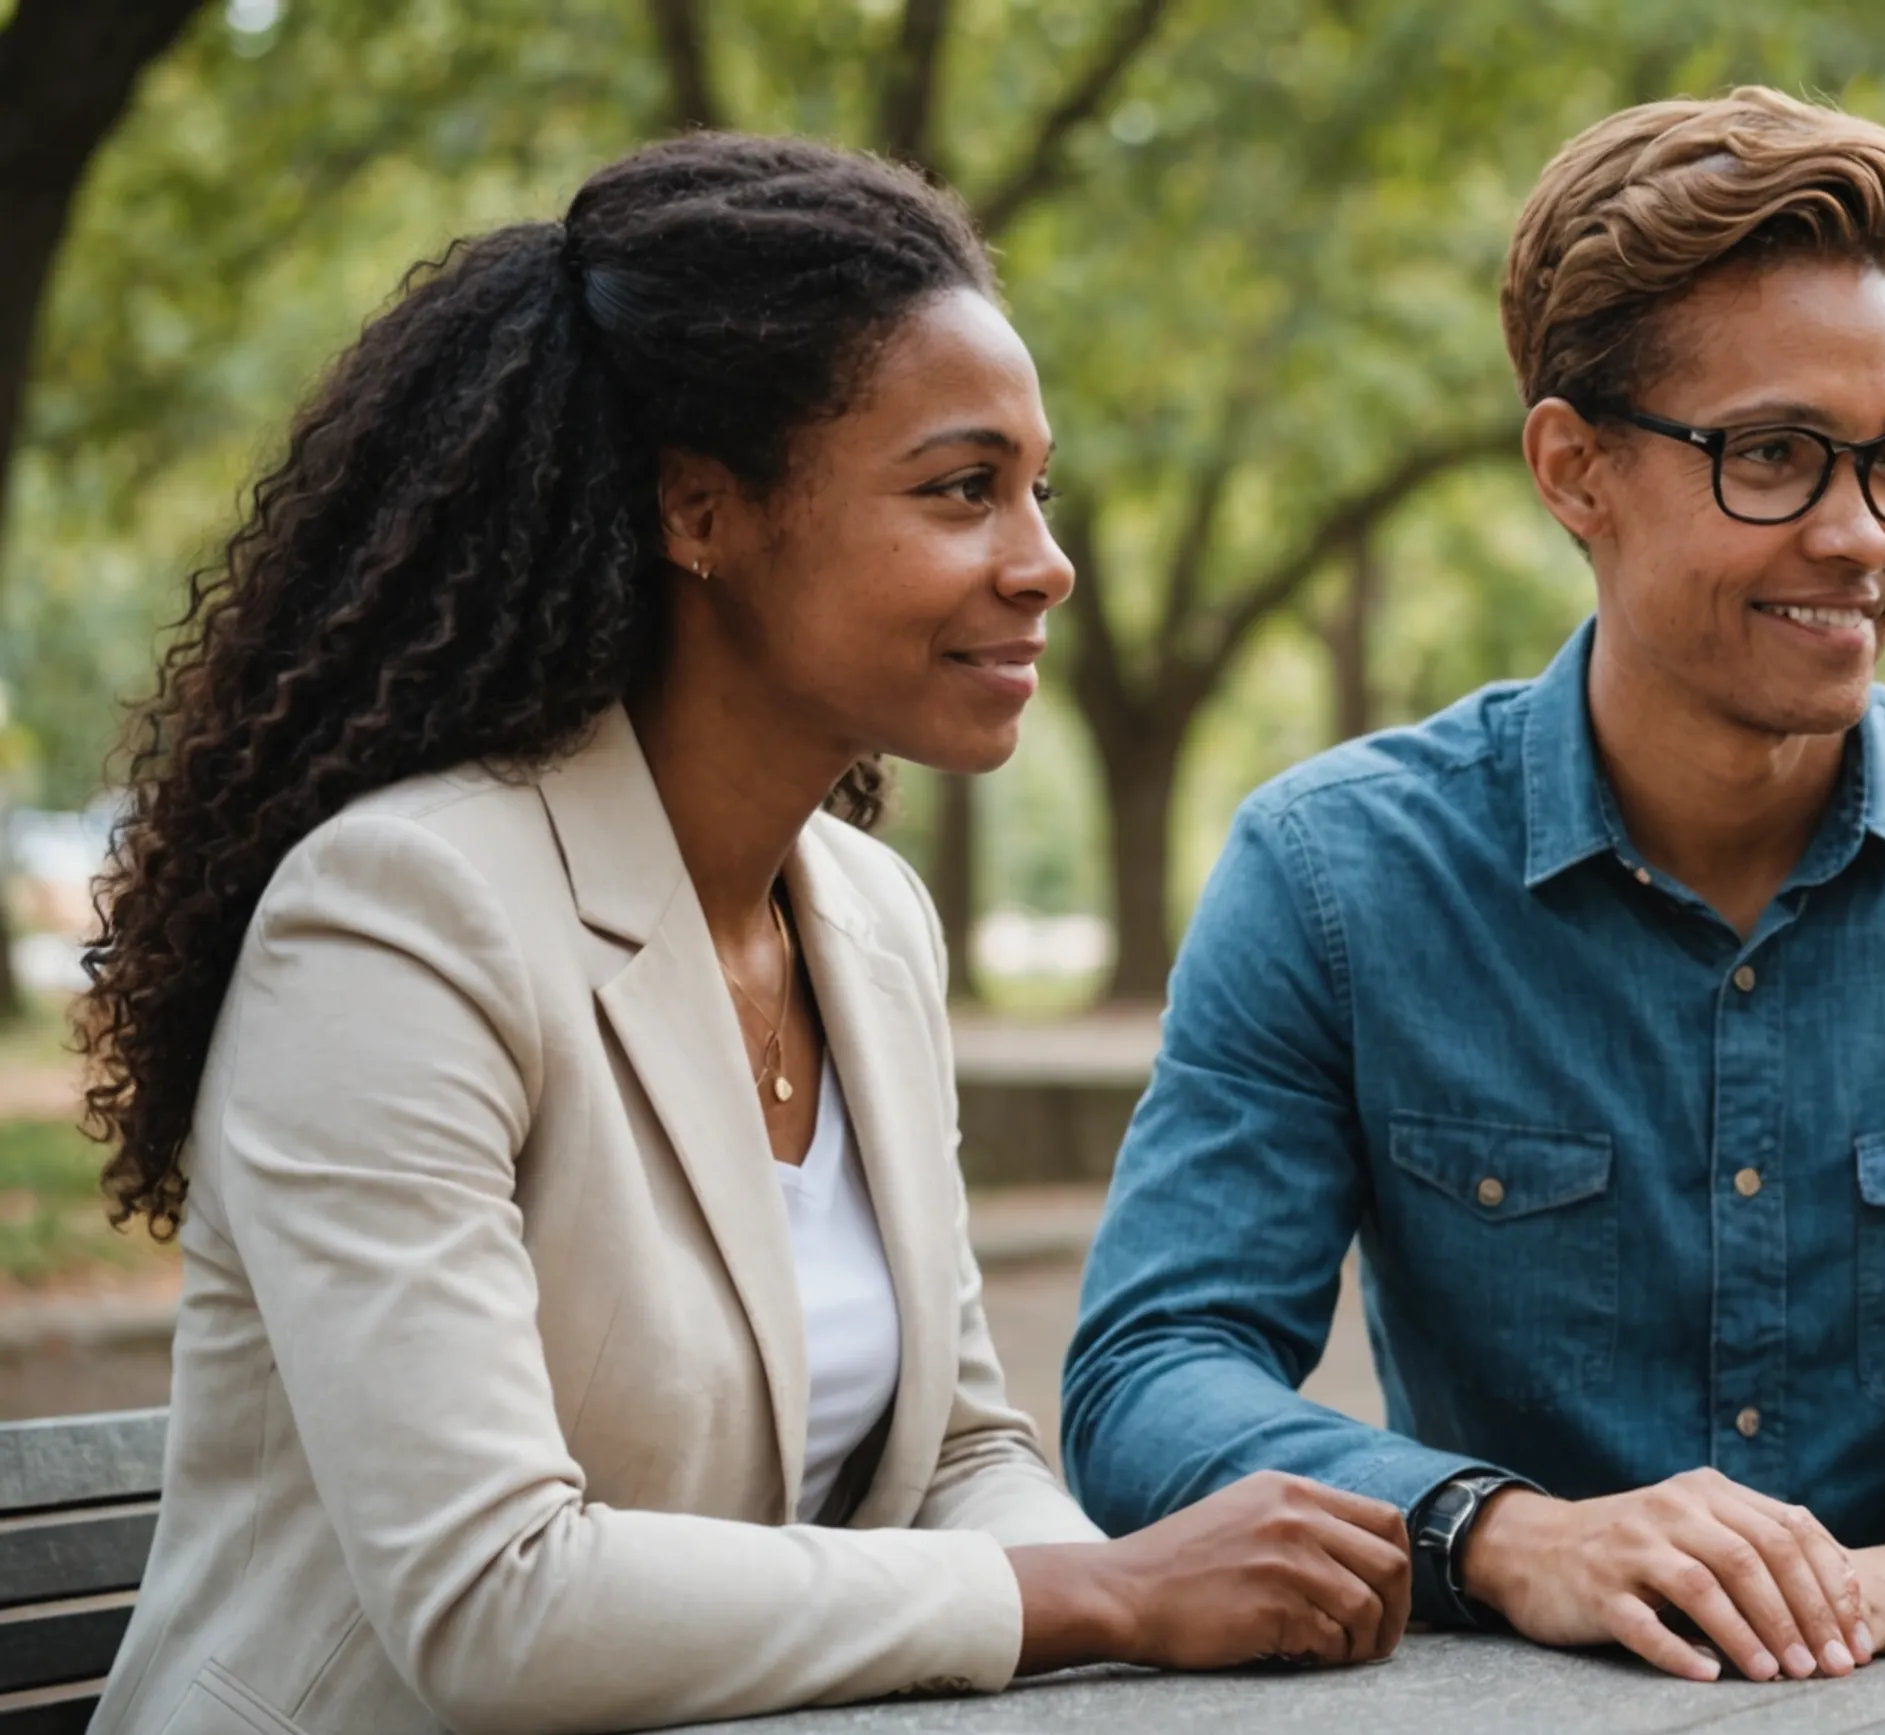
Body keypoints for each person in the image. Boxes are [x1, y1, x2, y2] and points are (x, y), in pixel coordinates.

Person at [79, 134, 1410, 1735]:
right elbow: (495, 1601)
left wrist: (1161, 1655)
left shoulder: (868, 917)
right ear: (701, 511)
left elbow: (962, 1456)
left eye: (1035, 489)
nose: (1043, 561)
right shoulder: (399, 923)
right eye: (961, 488)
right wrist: (1107, 1592)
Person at [1063, 87, 1885, 1687]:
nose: (1863, 534)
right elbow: (1153, 1368)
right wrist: (1511, 1535)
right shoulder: (1334, 873)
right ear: (1575, 470)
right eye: (1775, 456)